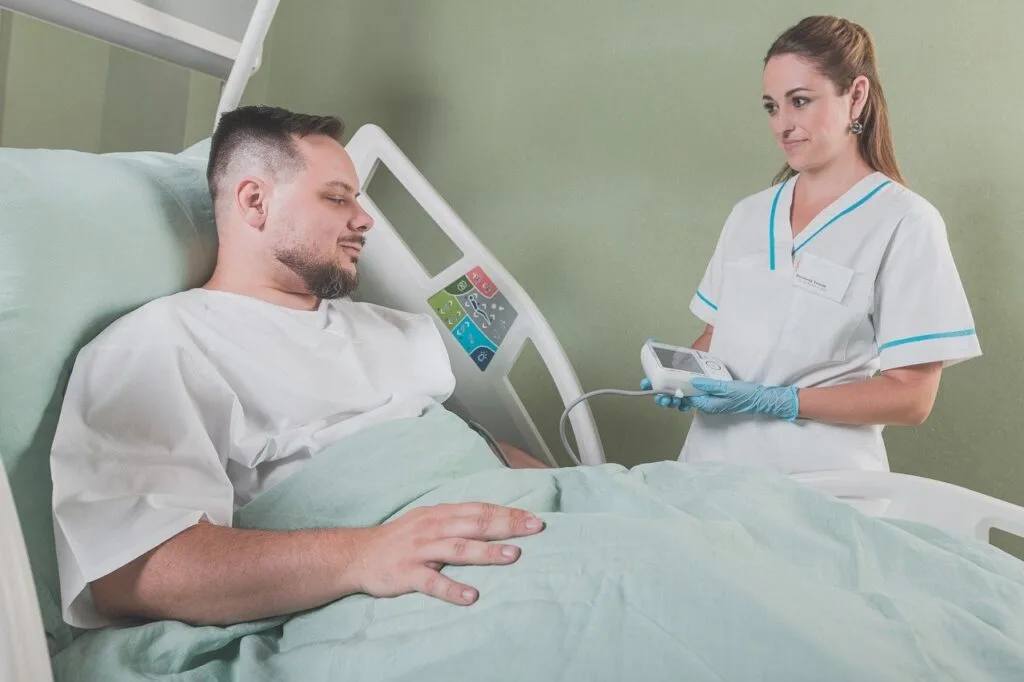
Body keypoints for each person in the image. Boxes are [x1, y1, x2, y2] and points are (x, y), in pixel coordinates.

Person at [49, 105, 549, 630]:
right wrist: (361, 554)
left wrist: (587, 488)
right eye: (337, 197)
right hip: (413, 594)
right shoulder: (161, 344)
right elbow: (132, 571)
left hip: (522, 521)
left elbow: (476, 448)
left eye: (356, 198)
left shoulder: (392, 330)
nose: (364, 219)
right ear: (256, 202)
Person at [646, 16, 981, 473]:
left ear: (856, 96)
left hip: (821, 488)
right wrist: (684, 377)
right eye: (771, 107)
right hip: (708, 471)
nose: (783, 124)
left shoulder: (904, 222)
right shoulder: (749, 215)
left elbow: (912, 396)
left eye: (800, 102)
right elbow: (716, 332)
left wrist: (783, 401)